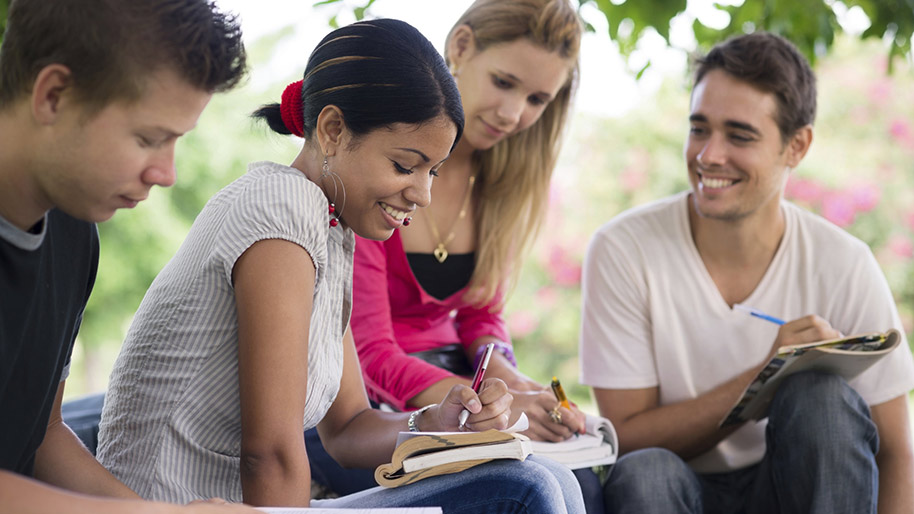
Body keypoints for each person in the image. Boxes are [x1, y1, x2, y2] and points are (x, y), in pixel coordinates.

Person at [96, 18, 585, 513]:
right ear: (332, 130)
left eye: (432, 171)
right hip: (177, 502)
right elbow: (270, 455)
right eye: (404, 165)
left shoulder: (331, 228)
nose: (423, 193)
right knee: (527, 491)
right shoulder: (281, 212)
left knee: (550, 480)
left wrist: (439, 419)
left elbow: (349, 428)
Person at [579, 32, 914, 514]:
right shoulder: (623, 248)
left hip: (794, 487)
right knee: (645, 471)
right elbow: (627, 438)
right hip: (678, 490)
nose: (709, 155)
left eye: (739, 135)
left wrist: (793, 378)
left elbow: (898, 451)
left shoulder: (844, 262)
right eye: (699, 129)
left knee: (820, 397)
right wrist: (766, 376)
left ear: (796, 146)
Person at [0, 0, 253, 512]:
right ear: (54, 95)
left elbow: (43, 434)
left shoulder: (73, 232)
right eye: (148, 139)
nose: (167, 173)